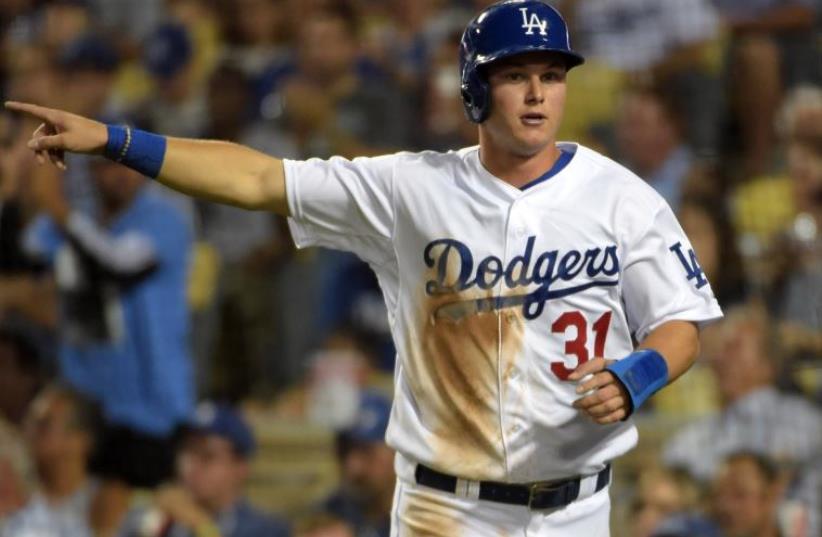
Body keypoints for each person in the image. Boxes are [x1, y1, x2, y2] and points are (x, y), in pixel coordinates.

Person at [5, 1, 722, 534]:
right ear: (475, 88)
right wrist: (117, 139)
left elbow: (680, 322)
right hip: (448, 509)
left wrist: (642, 374)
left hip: (579, 508)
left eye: (550, 75)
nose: (538, 93)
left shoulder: (620, 192)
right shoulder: (410, 187)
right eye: (516, 76)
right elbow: (258, 179)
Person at [21, 156, 195, 534]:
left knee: (150, 520)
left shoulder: (164, 218)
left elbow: (117, 264)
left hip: (150, 405)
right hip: (88, 402)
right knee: (83, 516)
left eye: (130, 164)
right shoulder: (79, 216)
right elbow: (28, 252)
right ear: (91, 173)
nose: (120, 175)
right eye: (107, 166)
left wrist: (57, 209)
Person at [663, 304, 821, 535]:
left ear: (768, 364)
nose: (720, 359)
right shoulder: (694, 437)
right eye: (720, 350)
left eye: (733, 348)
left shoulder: (808, 425)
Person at [117, 401, 290, 537]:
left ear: (240, 468)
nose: (191, 465)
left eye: (208, 456)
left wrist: (202, 526)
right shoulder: (153, 519)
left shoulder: (266, 530)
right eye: (187, 452)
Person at [1, 384, 100, 537]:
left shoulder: (111, 504)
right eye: (30, 422)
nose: (30, 432)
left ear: (79, 440)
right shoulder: (15, 507)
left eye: (44, 425)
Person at [322, 391, 395, 537]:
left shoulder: (422, 519)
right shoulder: (326, 515)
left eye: (366, 452)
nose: (353, 467)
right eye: (344, 451)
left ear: (397, 453)